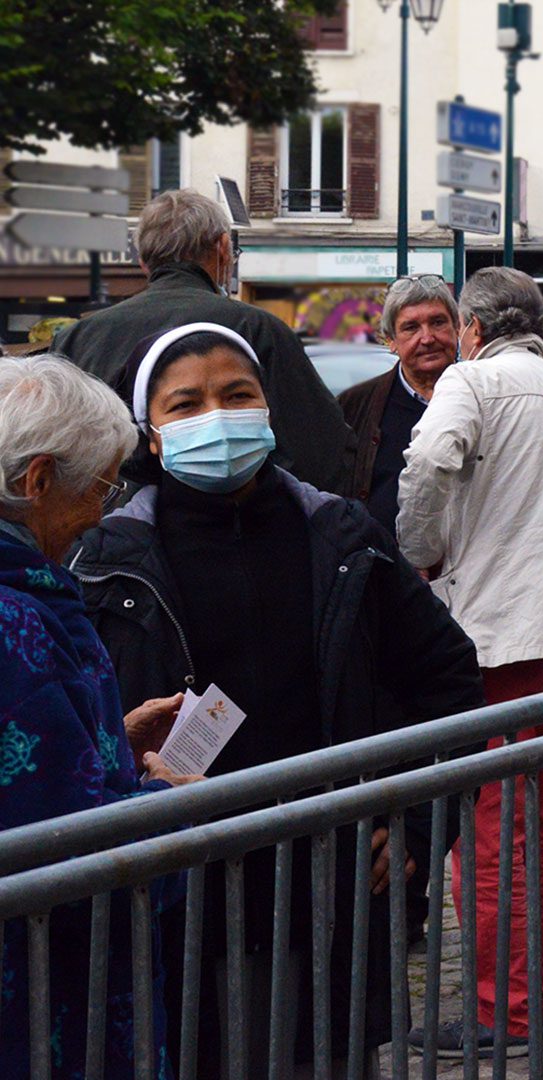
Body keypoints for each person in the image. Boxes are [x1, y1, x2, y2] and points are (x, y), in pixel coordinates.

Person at [69, 325, 484, 1078]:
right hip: (174, 902)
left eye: (237, 395)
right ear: (150, 434)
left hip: (326, 896)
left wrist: (419, 821)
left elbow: (447, 676)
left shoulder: (342, 536)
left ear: (269, 408)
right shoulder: (103, 559)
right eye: (186, 404)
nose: (217, 418)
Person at [397, 267, 543, 1057]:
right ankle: (538, 996)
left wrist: (418, 548)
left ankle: (509, 1010)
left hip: (495, 632)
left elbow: (431, 458)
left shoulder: (473, 381)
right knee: (542, 820)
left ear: (472, 328)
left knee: (491, 830)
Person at [0, 355, 200, 1080]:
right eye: (101, 487)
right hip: (44, 1006)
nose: (104, 511)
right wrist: (170, 807)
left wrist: (105, 736)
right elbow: (61, 846)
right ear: (38, 481)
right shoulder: (18, 617)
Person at [52, 190, 354, 495]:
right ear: (223, 248)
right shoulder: (258, 329)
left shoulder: (77, 339)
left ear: (143, 262)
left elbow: (58, 455)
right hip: (245, 516)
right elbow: (317, 448)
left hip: (104, 515)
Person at [340, 274, 462, 538]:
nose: (427, 338)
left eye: (438, 322)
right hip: (383, 557)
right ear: (391, 341)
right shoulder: (356, 405)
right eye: (411, 328)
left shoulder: (484, 399)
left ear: (457, 327)